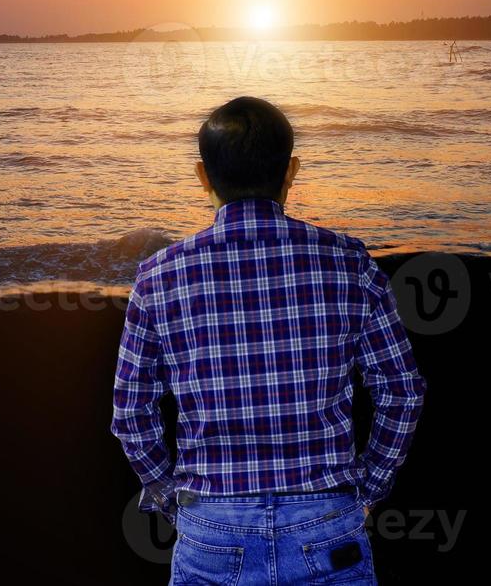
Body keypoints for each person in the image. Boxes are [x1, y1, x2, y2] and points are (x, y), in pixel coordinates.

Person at [112, 96, 425, 585]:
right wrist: (367, 491)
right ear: (292, 171)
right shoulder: (348, 263)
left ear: (202, 175)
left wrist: (174, 501)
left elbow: (131, 413)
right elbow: (401, 391)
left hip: (211, 526)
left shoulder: (159, 277)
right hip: (327, 520)